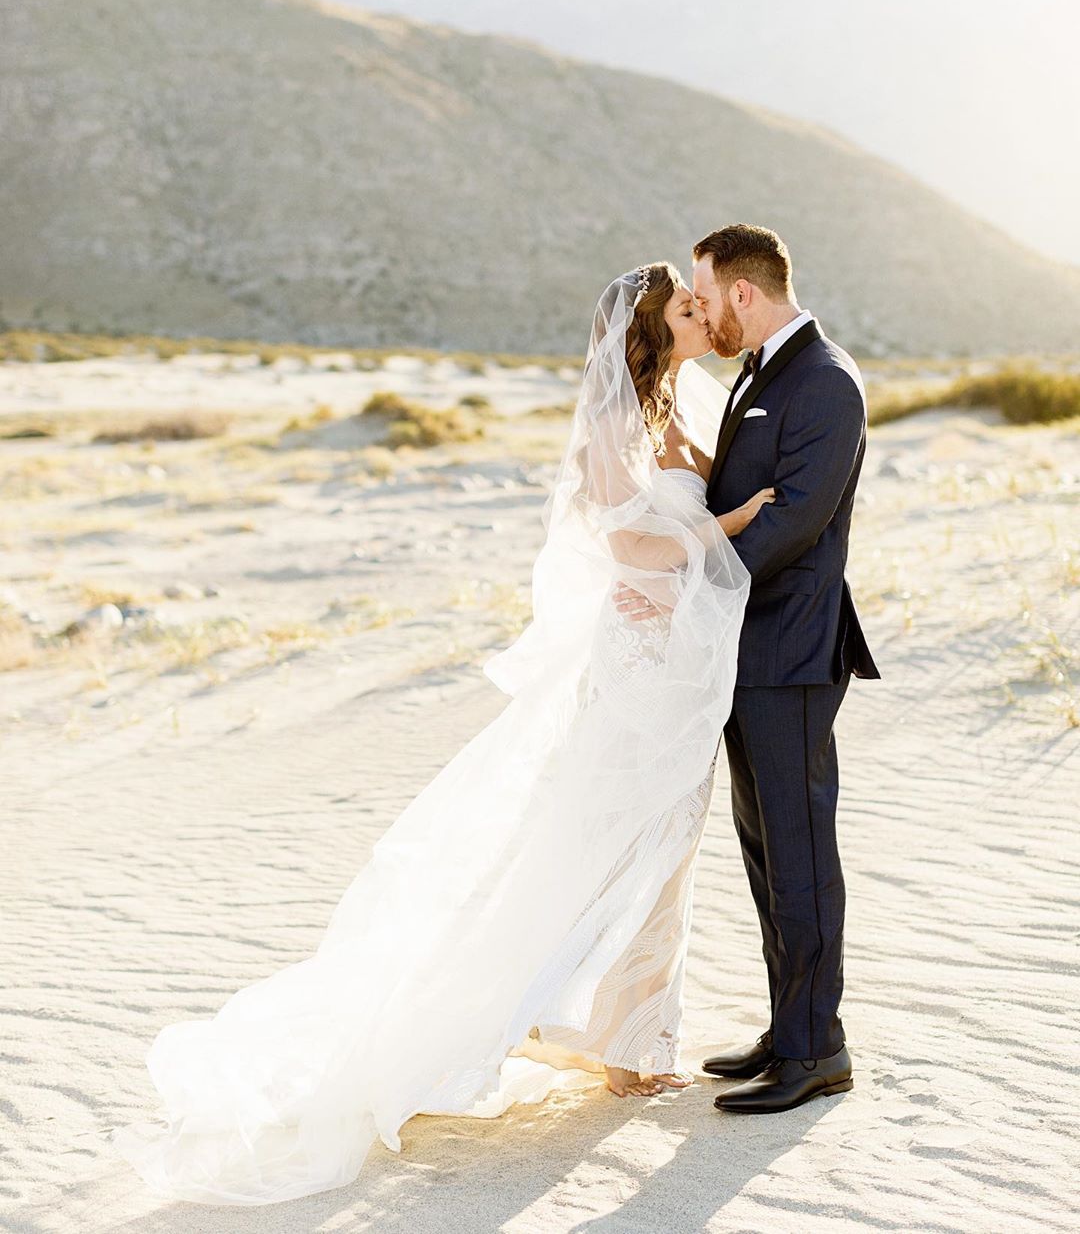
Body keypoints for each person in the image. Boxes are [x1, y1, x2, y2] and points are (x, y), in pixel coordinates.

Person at [111, 263, 768, 1206]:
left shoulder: (687, 408)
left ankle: (628, 1044)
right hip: (636, 669)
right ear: (648, 330)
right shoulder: (613, 424)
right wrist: (735, 524)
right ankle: (575, 1034)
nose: (703, 313)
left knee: (667, 849)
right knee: (616, 842)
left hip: (681, 668)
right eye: (688, 306)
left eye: (705, 303)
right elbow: (632, 549)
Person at [618, 224, 880, 1114]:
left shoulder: (826, 382)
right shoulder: (756, 377)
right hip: (742, 650)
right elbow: (731, 497)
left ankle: (818, 1051)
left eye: (704, 291)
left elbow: (793, 522)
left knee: (800, 851)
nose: (702, 311)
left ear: (740, 293)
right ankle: (787, 1028)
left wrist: (691, 579)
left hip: (792, 654)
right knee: (767, 850)